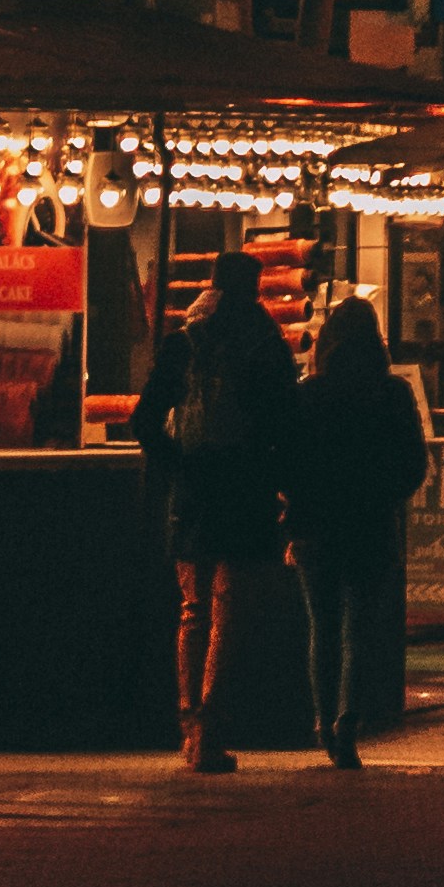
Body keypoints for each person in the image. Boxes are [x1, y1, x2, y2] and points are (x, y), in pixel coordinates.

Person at [130, 250, 304, 772]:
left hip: (191, 490)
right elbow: (285, 430)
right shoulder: (267, 346)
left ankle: (187, 728)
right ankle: (210, 730)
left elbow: (143, 420)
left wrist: (177, 462)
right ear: (254, 290)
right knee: (228, 609)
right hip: (244, 492)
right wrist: (278, 485)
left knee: (192, 609)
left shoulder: (184, 341)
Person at [285, 291, 432, 771]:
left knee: (321, 627)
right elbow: (414, 460)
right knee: (358, 631)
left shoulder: (308, 393)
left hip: (315, 526)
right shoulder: (391, 392)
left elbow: (286, 460)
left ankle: (322, 720)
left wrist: (298, 501)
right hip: (371, 524)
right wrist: (385, 495)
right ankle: (349, 720)